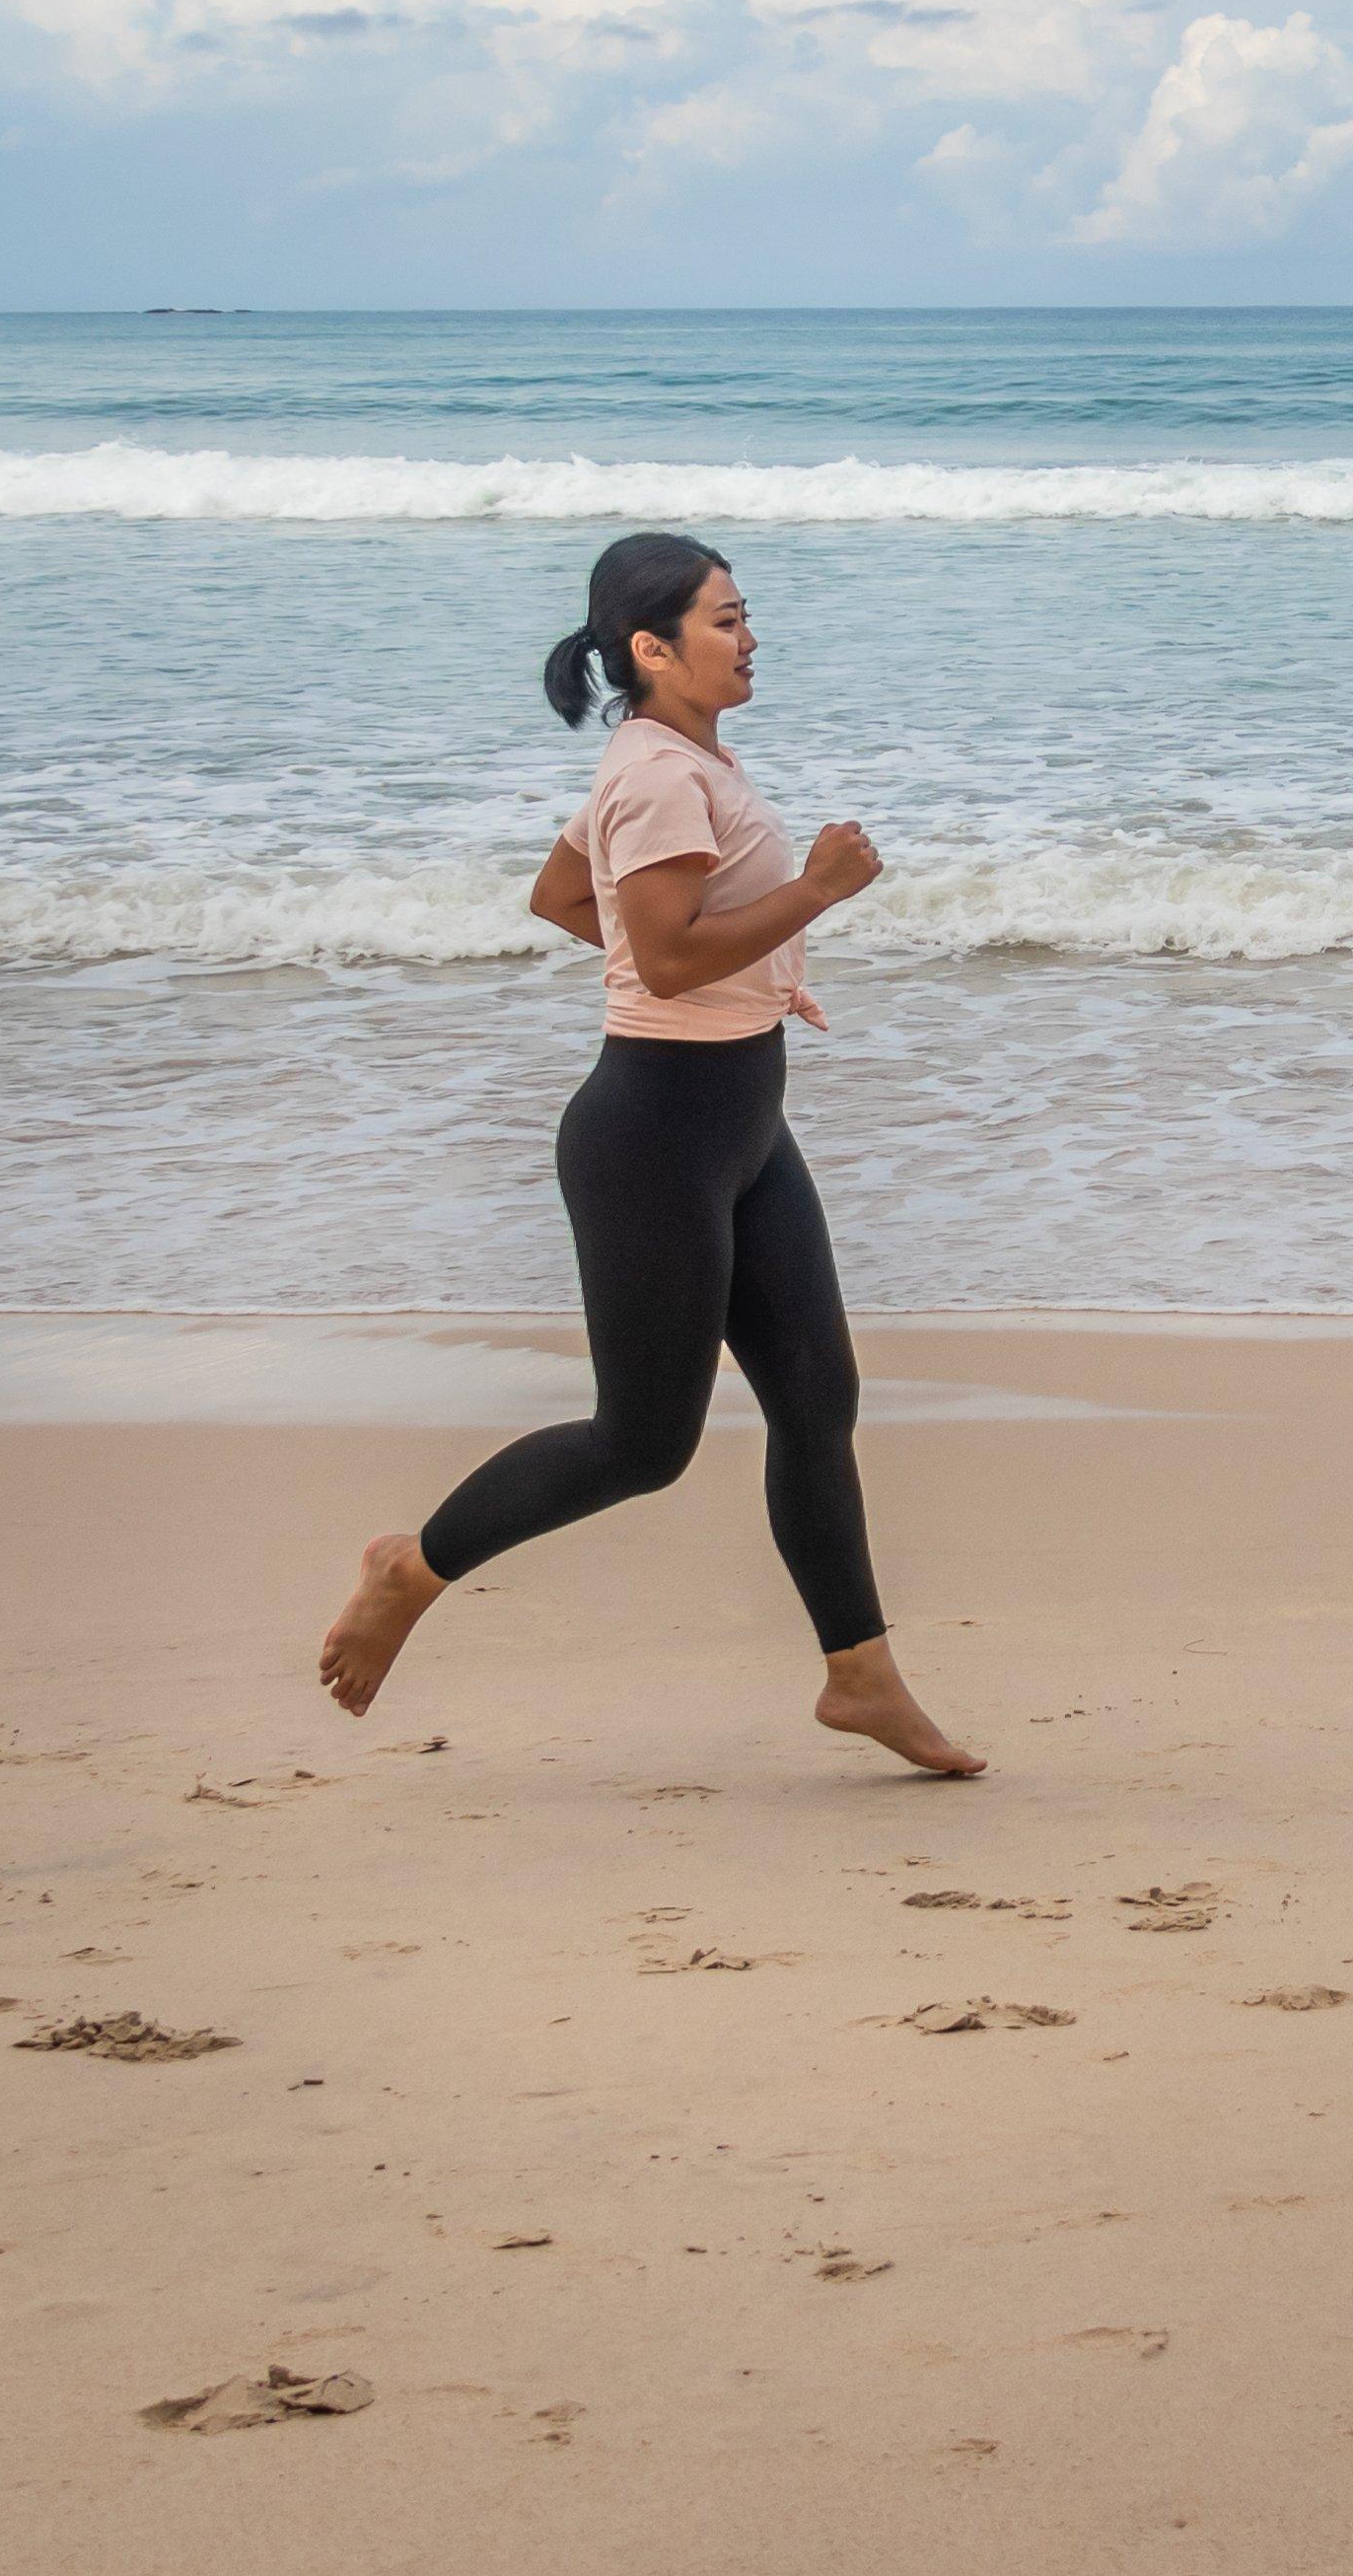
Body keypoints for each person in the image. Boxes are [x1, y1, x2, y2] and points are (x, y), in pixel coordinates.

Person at [316, 530, 982, 1777]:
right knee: (642, 1445)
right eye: (723, 621)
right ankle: (410, 1569)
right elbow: (666, 956)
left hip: (739, 1125)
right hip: (655, 1135)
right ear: (649, 647)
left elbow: (567, 900)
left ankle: (861, 1677)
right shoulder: (657, 777)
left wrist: (719, 970)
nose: (748, 638)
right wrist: (821, 891)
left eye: (745, 616)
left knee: (816, 1399)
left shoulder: (671, 761)